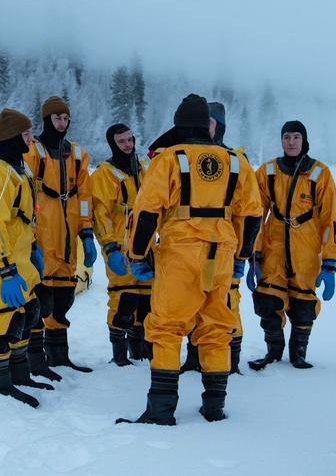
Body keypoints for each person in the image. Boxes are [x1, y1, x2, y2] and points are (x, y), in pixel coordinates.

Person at [119, 94, 263, 425]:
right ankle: (214, 406)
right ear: (207, 126)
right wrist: (241, 255)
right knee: (215, 328)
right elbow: (253, 215)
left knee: (167, 327)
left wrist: (137, 254)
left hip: (180, 252)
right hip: (222, 253)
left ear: (180, 125)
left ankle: (161, 410)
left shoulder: (170, 158)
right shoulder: (237, 162)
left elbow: (146, 212)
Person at [0, 108, 52, 407]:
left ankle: (19, 372)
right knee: (5, 322)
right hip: (0, 264)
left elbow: (23, 219)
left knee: (27, 314)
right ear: (13, 136)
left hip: (22, 259)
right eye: (27, 133)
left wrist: (32, 251)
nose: (31, 138)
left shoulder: (20, 169)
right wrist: (5, 270)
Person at [247, 120, 336, 370]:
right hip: (272, 248)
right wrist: (252, 255)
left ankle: (298, 355)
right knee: (268, 302)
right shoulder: (268, 171)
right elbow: (254, 214)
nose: (291, 142)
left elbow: (331, 220)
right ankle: (273, 354)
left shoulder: (319, 173)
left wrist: (330, 263)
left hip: (306, 252)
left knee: (303, 305)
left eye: (296, 137)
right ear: (281, 140)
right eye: (286, 137)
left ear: (304, 140)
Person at [179, 101, 255, 375]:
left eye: (210, 123)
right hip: (191, 245)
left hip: (225, 246)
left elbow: (249, 211)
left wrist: (243, 253)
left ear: (219, 127)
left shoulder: (236, 161)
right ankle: (193, 357)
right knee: (193, 303)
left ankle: (230, 361)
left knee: (226, 304)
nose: (204, 128)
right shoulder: (185, 157)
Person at [24, 95, 97, 374]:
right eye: (57, 118)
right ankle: (34, 359)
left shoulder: (77, 154)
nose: (62, 123)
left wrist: (87, 231)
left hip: (67, 239)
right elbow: (24, 194)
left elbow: (84, 197)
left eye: (66, 118)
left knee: (64, 299)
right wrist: (29, 239)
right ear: (46, 120)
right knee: (41, 300)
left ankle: (59, 355)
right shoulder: (32, 151)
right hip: (42, 236)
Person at [90, 123, 153, 366]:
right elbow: (99, 212)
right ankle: (119, 355)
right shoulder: (105, 174)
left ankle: (140, 352)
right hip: (119, 244)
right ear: (112, 144)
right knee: (124, 299)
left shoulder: (146, 168)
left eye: (129, 139)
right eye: (121, 142)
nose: (128, 145)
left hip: (146, 245)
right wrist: (109, 246)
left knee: (146, 300)